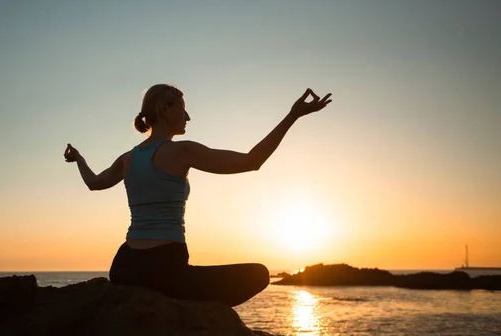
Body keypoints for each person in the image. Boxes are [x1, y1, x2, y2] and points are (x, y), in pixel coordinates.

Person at [64, 84, 332, 307]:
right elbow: (252, 161)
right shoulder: (183, 151)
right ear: (164, 109)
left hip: (124, 267)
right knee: (259, 274)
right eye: (183, 108)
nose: (188, 116)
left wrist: (78, 158)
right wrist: (292, 115)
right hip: (166, 268)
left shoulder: (127, 158)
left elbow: (94, 183)